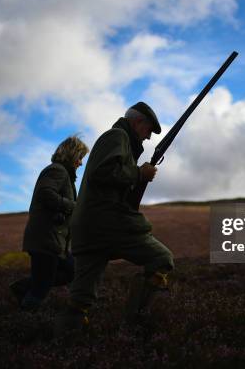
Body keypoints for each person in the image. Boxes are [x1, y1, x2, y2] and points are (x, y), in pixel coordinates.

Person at [55, 102, 174, 331]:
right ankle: (135, 324)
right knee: (161, 259)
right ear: (137, 122)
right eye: (148, 130)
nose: (148, 137)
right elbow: (104, 173)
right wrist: (140, 173)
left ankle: (64, 343)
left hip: (88, 228)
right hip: (106, 223)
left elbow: (109, 181)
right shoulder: (117, 136)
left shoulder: (118, 141)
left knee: (80, 299)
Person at [9, 135, 89, 311]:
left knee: (70, 271)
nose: (81, 163)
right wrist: (73, 206)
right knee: (41, 288)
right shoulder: (57, 171)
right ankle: (25, 320)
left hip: (54, 242)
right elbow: (45, 194)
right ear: (71, 154)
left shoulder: (64, 174)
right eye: (80, 157)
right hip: (45, 239)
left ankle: (22, 287)